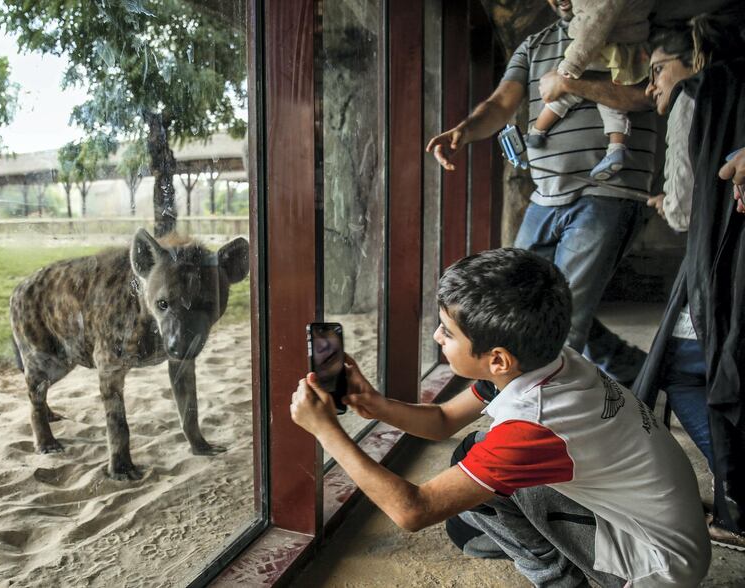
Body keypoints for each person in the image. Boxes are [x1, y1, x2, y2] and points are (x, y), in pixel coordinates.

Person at [291, 248, 711, 586]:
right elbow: (442, 420)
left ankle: (564, 580)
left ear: (497, 360)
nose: (437, 337)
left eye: (448, 332)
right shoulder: (550, 360)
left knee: (482, 482)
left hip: (655, 567)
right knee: (473, 459)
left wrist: (326, 431)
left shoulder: (536, 423)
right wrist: (375, 403)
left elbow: (413, 511)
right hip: (665, 534)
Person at [426, 0, 656, 388]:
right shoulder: (535, 45)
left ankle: (531, 416)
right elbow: (501, 103)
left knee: (569, 318)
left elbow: (647, 96)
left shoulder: (633, 31)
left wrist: (571, 84)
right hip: (545, 194)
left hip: (609, 190)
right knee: (523, 305)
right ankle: (639, 370)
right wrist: (464, 131)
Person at [633, 11, 745, 551]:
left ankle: (737, 505)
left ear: (693, 60)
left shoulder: (698, 95)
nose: (653, 84)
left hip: (723, 265)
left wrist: (668, 203)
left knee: (681, 369)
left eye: (658, 70)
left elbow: (683, 209)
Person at [527, 0, 653, 182]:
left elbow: (595, 23)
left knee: (564, 93)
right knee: (613, 107)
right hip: (628, 49)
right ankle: (616, 149)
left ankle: (536, 132)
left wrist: (570, 67)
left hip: (602, 49)